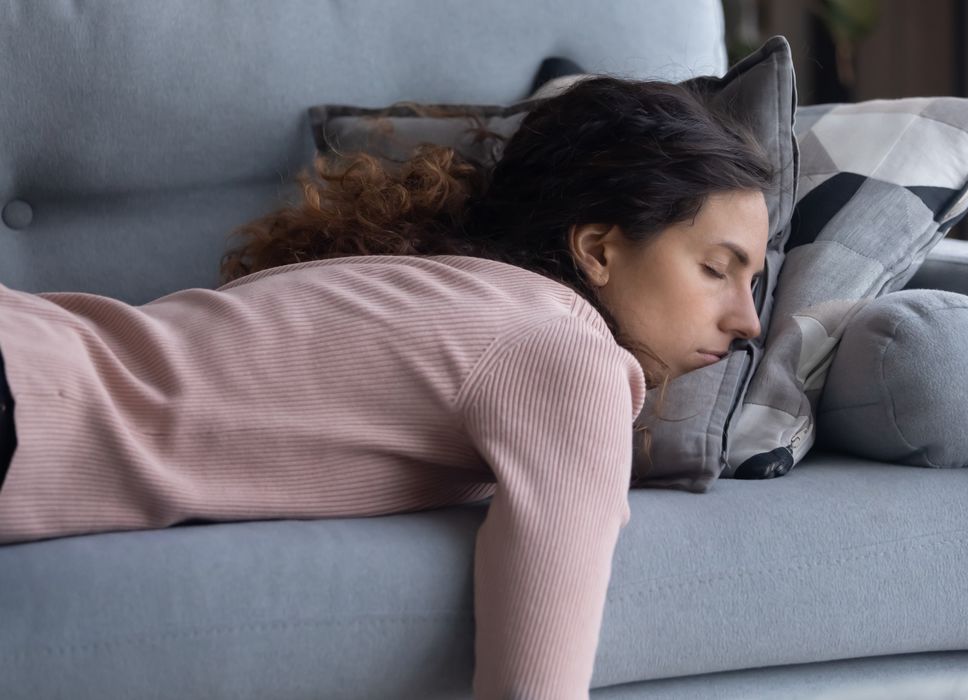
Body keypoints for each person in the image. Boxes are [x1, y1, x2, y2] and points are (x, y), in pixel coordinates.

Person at [0, 75, 773, 698]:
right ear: (599, 248)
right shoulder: (568, 355)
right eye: (716, 270)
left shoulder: (452, 292)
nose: (749, 323)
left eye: (754, 283)